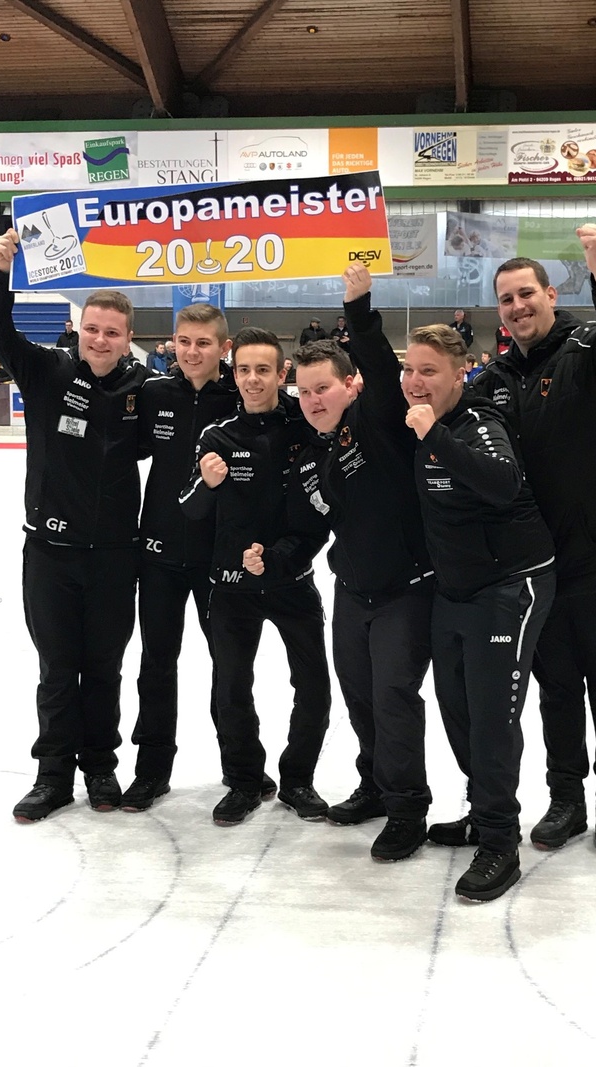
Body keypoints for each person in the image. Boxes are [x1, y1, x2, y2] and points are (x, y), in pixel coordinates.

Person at [473, 224, 596, 854]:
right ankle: (566, 798)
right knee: (556, 689)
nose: (517, 307)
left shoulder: (593, 350)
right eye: (506, 300)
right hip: (539, 563)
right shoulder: (495, 378)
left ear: (550, 294)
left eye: (526, 294)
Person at [0, 228, 150, 822]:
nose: (100, 340)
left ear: (129, 339)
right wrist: (1, 270)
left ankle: (100, 768)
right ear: (79, 332)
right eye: (93, 330)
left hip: (114, 556)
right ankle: (52, 775)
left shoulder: (143, 390)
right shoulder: (46, 372)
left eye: (112, 332)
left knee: (104, 667)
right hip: (50, 553)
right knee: (57, 669)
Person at [402, 324, 556, 902]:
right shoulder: (414, 419)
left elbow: (501, 481)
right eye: (409, 369)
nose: (416, 381)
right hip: (455, 589)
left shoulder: (479, 422)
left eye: (429, 371)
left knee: (492, 715)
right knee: (458, 707)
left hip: (510, 585)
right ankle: (481, 809)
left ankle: (499, 840)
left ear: (459, 374)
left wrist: (435, 434)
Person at [286, 265, 434, 863]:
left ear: (352, 385)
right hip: (353, 592)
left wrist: (360, 307)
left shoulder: (378, 422)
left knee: (394, 696)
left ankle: (407, 808)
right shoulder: (319, 447)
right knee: (361, 697)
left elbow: (375, 358)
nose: (312, 399)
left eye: (323, 387)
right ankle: (374, 786)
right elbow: (318, 524)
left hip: (406, 590)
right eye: (303, 391)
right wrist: (276, 556)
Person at [179, 327, 331, 826]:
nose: (251, 379)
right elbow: (190, 510)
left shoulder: (304, 425)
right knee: (231, 688)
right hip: (230, 588)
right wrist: (208, 483)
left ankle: (297, 780)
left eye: (263, 370)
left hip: (293, 582)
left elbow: (319, 513)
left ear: (281, 374)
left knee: (313, 687)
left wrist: (281, 556)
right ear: (233, 371)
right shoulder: (216, 436)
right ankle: (244, 781)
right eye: (243, 369)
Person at [121, 303, 255, 812]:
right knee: (156, 664)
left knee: (230, 666)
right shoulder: (154, 394)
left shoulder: (239, 394)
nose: (191, 351)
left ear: (224, 348)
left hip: (219, 558)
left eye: (203, 343)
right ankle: (152, 770)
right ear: (171, 343)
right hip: (158, 553)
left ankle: (242, 773)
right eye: (183, 341)